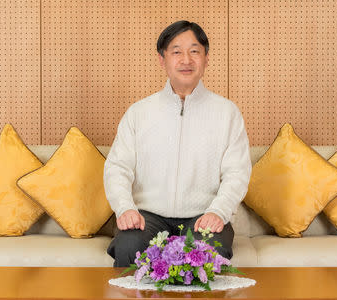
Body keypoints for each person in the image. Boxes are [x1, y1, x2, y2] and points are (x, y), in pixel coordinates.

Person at [104, 20, 252, 267]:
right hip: (148, 216)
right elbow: (117, 168)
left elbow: (237, 173)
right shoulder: (139, 113)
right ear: (162, 60)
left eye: (194, 51)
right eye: (176, 52)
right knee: (129, 245)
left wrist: (218, 212)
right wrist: (125, 208)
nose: (186, 60)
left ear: (206, 59)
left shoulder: (227, 113)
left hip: (203, 216)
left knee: (213, 248)